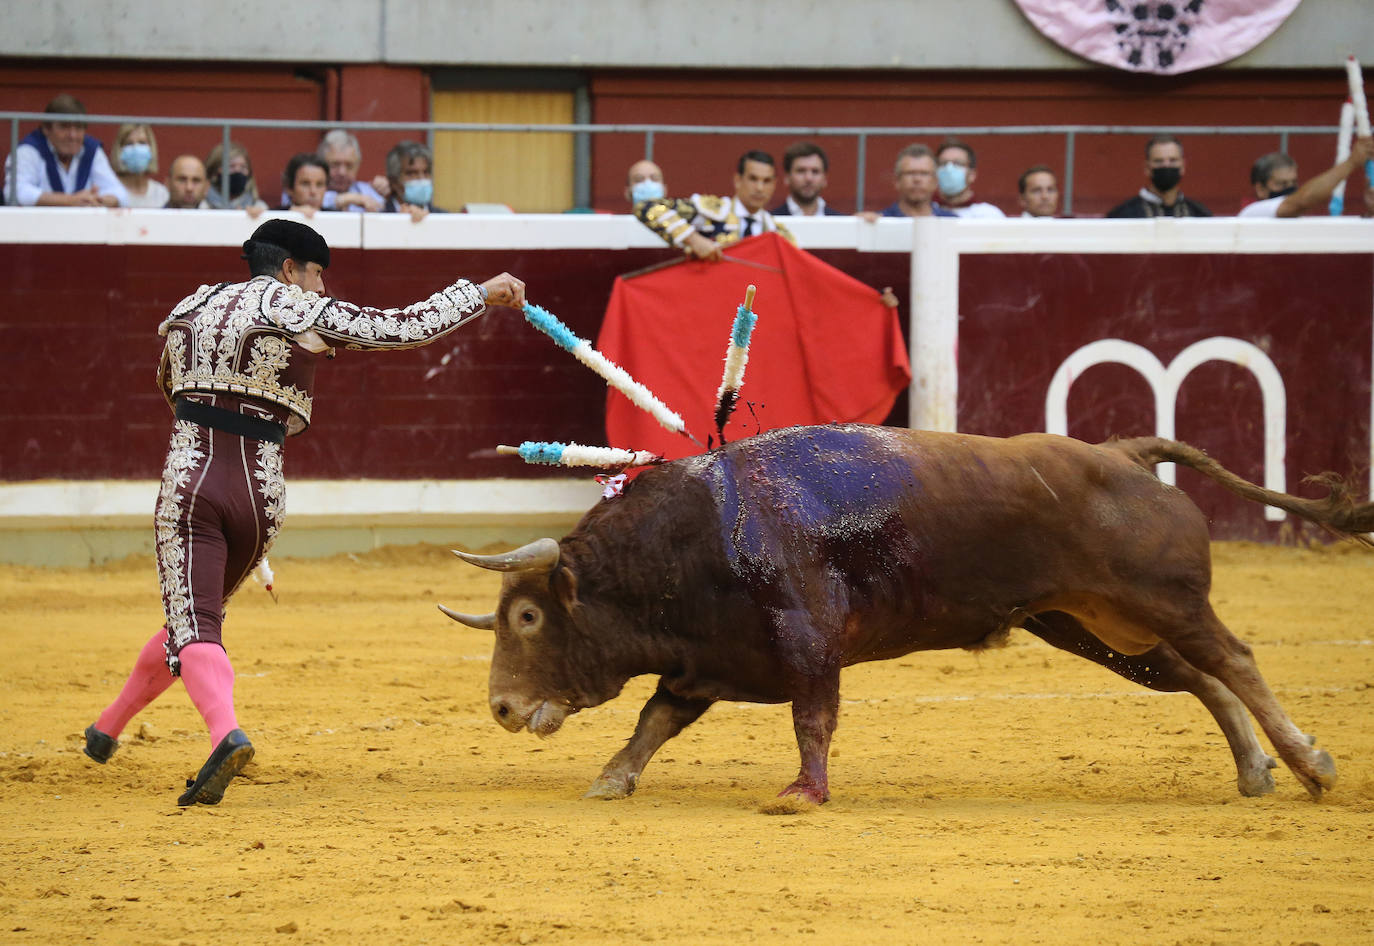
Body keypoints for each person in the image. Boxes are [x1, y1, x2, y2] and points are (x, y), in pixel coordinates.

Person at [81, 219, 526, 807]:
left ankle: (225, 735)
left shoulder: (191, 307)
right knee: (192, 624)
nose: (319, 288)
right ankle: (107, 728)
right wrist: (478, 293)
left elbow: (167, 385)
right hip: (260, 495)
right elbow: (402, 329)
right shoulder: (296, 308)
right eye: (317, 273)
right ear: (290, 268)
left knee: (196, 626)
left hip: (190, 484)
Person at [634, 150, 794, 261]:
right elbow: (646, 207)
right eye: (753, 179)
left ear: (774, 185)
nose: (759, 188)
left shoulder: (780, 235)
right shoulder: (711, 211)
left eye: (766, 181)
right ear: (738, 180)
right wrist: (693, 239)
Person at [2, 93, 128, 207]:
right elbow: (15, 192)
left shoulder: (91, 150)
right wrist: (70, 200)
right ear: (46, 129)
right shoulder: (28, 151)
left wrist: (98, 200)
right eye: (64, 127)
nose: (72, 136)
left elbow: (120, 193)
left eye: (79, 128)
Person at [1237, 136, 1374, 218]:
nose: (1289, 188)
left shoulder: (1298, 215)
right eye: (1282, 184)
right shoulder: (1252, 213)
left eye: (1293, 183)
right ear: (1260, 189)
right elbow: (1303, 200)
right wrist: (1351, 162)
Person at [1106, 134, 1211, 218]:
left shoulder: (1200, 214)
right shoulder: (1122, 215)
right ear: (1147, 168)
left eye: (1173, 160)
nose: (1166, 166)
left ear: (1182, 166)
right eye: (1159, 161)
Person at [871, 144, 957, 219]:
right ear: (897, 181)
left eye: (924, 173)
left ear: (935, 181)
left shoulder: (952, 222)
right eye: (910, 173)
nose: (917, 179)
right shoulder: (880, 221)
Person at [932, 139, 1004, 218]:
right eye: (943, 163)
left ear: (972, 175)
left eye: (957, 163)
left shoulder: (989, 215)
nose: (949, 169)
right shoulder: (924, 212)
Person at [317, 128, 384, 213]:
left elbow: (383, 207)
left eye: (349, 166)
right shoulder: (313, 190)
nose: (342, 172)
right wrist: (343, 199)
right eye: (335, 165)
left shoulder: (368, 191)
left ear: (357, 166)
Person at [771, 141, 844, 217]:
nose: (808, 178)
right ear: (787, 177)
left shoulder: (843, 223)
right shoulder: (769, 223)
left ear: (825, 179)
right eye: (801, 171)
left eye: (815, 171)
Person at [382, 140, 442, 222]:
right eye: (411, 173)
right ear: (394, 181)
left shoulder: (445, 218)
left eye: (426, 172)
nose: (421, 178)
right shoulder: (378, 218)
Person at [113, 123, 168, 209]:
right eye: (129, 143)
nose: (136, 148)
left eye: (142, 143)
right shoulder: (111, 191)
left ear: (151, 148)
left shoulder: (161, 193)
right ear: (120, 150)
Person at [205, 140, 267, 216]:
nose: (238, 171)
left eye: (243, 167)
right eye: (231, 166)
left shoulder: (259, 208)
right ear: (214, 171)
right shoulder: (202, 206)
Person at [281, 152, 329, 216]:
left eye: (319, 184)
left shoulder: (338, 216)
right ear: (289, 187)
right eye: (305, 184)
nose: (313, 191)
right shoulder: (270, 216)